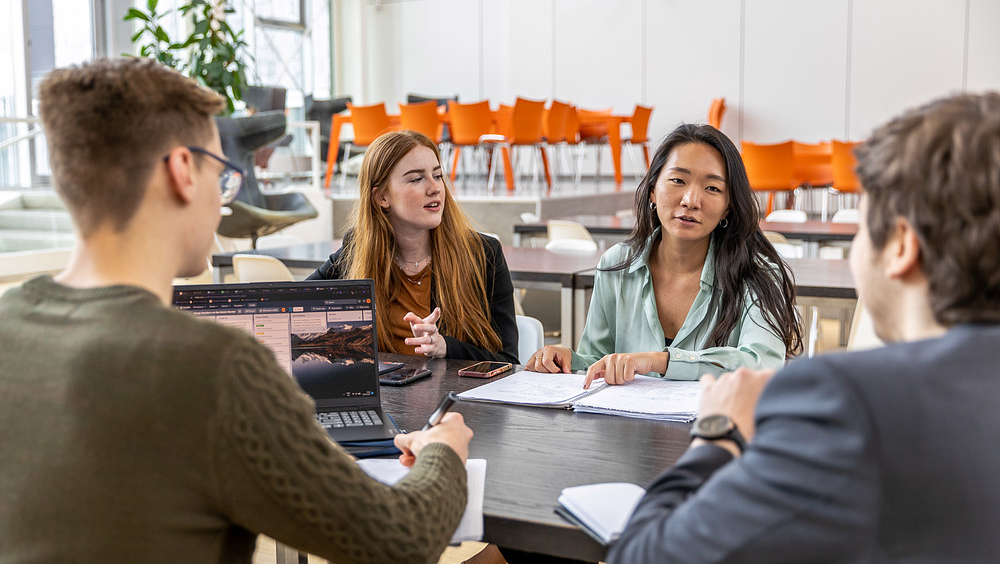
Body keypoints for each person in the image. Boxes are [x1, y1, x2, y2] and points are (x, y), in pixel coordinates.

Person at [0, 58, 473, 563]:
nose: (225, 197)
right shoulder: (215, 366)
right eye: (223, 173)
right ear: (184, 172)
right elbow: (399, 540)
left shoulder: (11, 323)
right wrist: (444, 449)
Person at [608, 92, 1000, 563]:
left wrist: (716, 434)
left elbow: (645, 557)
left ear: (900, 246)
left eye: (862, 228)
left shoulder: (844, 400)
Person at [527, 123, 801, 384]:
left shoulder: (758, 274)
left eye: (712, 188)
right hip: (628, 431)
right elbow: (599, 361)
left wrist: (661, 362)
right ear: (653, 191)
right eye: (678, 180)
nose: (691, 201)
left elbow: (762, 364)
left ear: (728, 208)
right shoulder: (617, 265)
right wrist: (568, 361)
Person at [307, 130, 519, 364]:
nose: (435, 188)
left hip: (452, 399)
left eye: (437, 176)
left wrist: (445, 347)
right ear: (382, 198)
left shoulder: (483, 254)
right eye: (417, 179)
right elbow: (293, 300)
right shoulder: (357, 250)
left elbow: (508, 361)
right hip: (385, 400)